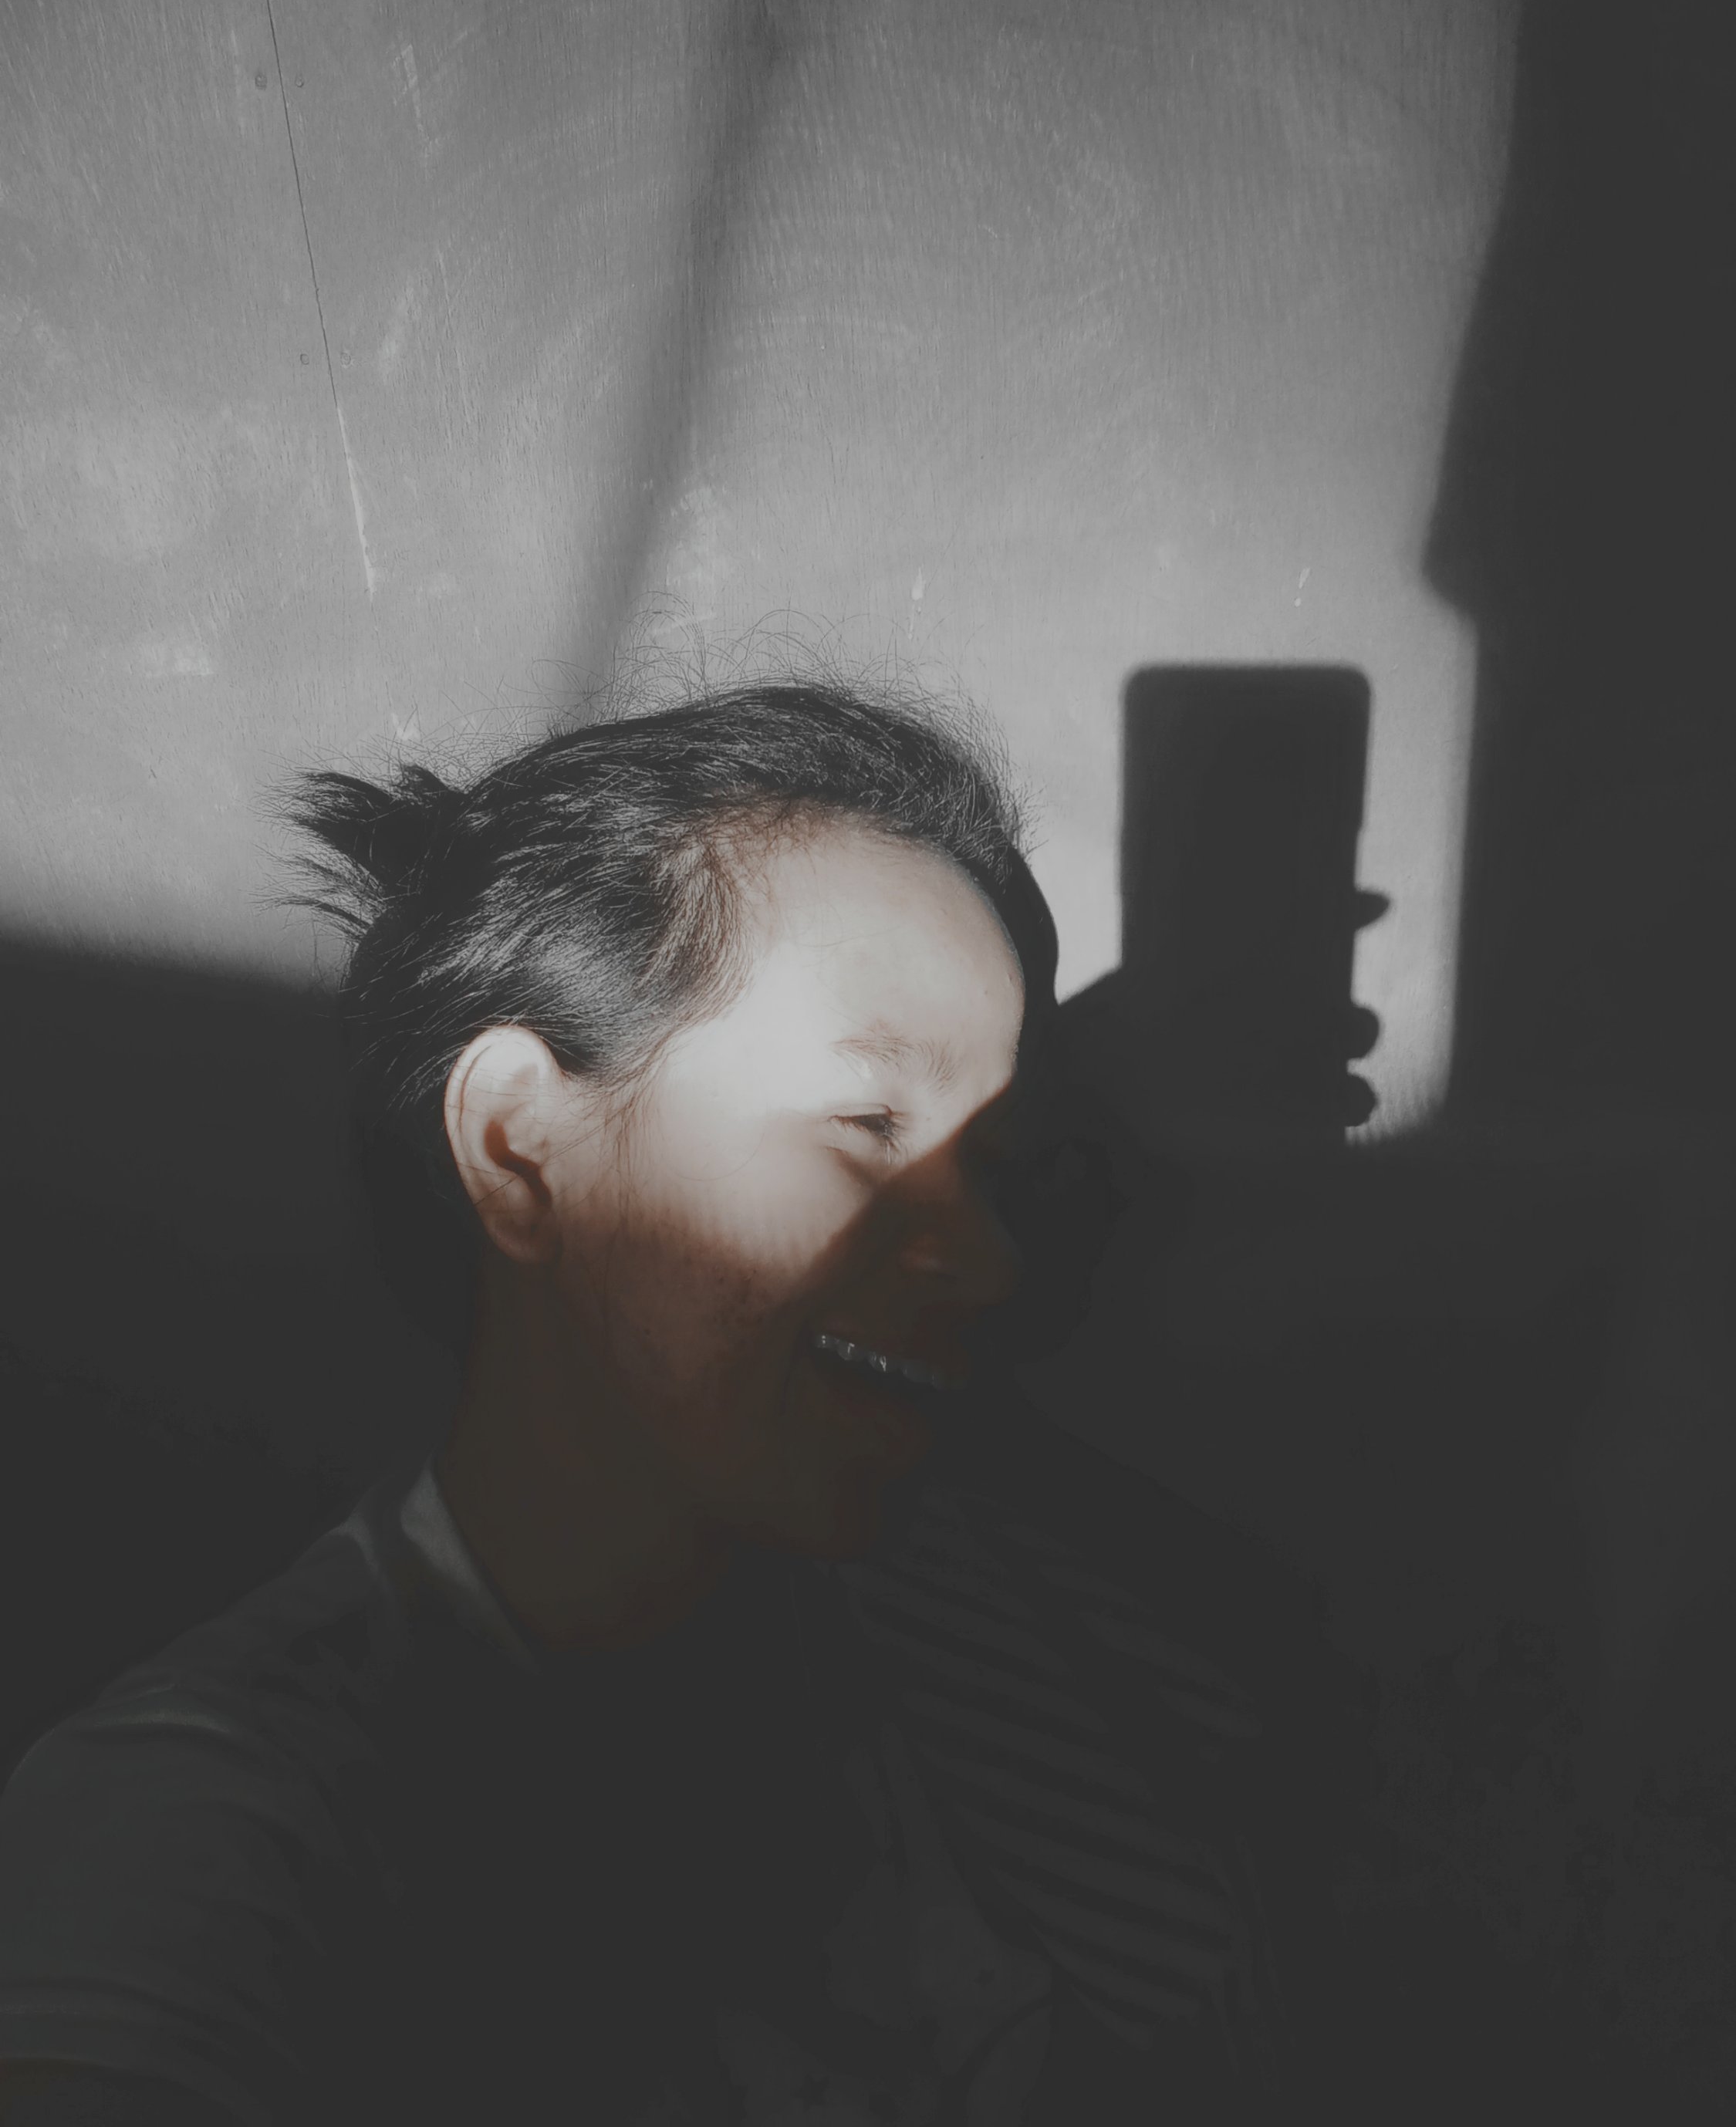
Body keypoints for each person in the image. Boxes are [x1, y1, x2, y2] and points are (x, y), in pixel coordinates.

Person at [0, 682, 1350, 2125]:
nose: (987, 1257)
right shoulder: (209, 1821)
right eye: (869, 1124)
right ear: (518, 1145)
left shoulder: (1014, 1655)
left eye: (994, 1158)